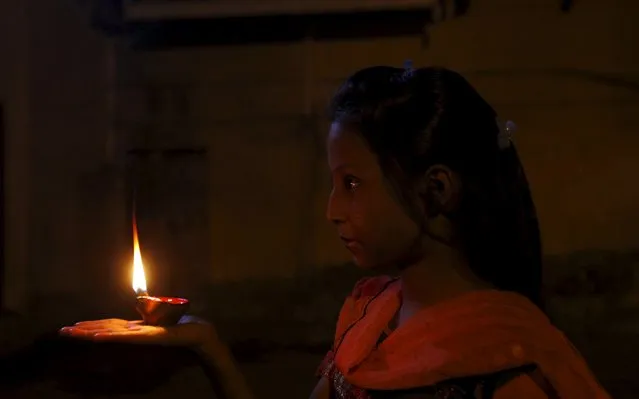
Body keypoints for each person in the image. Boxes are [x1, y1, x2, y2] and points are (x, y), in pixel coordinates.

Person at [60, 66, 610, 399]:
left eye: (352, 184)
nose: (331, 210)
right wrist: (208, 348)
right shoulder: (370, 315)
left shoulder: (508, 367)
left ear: (436, 190)